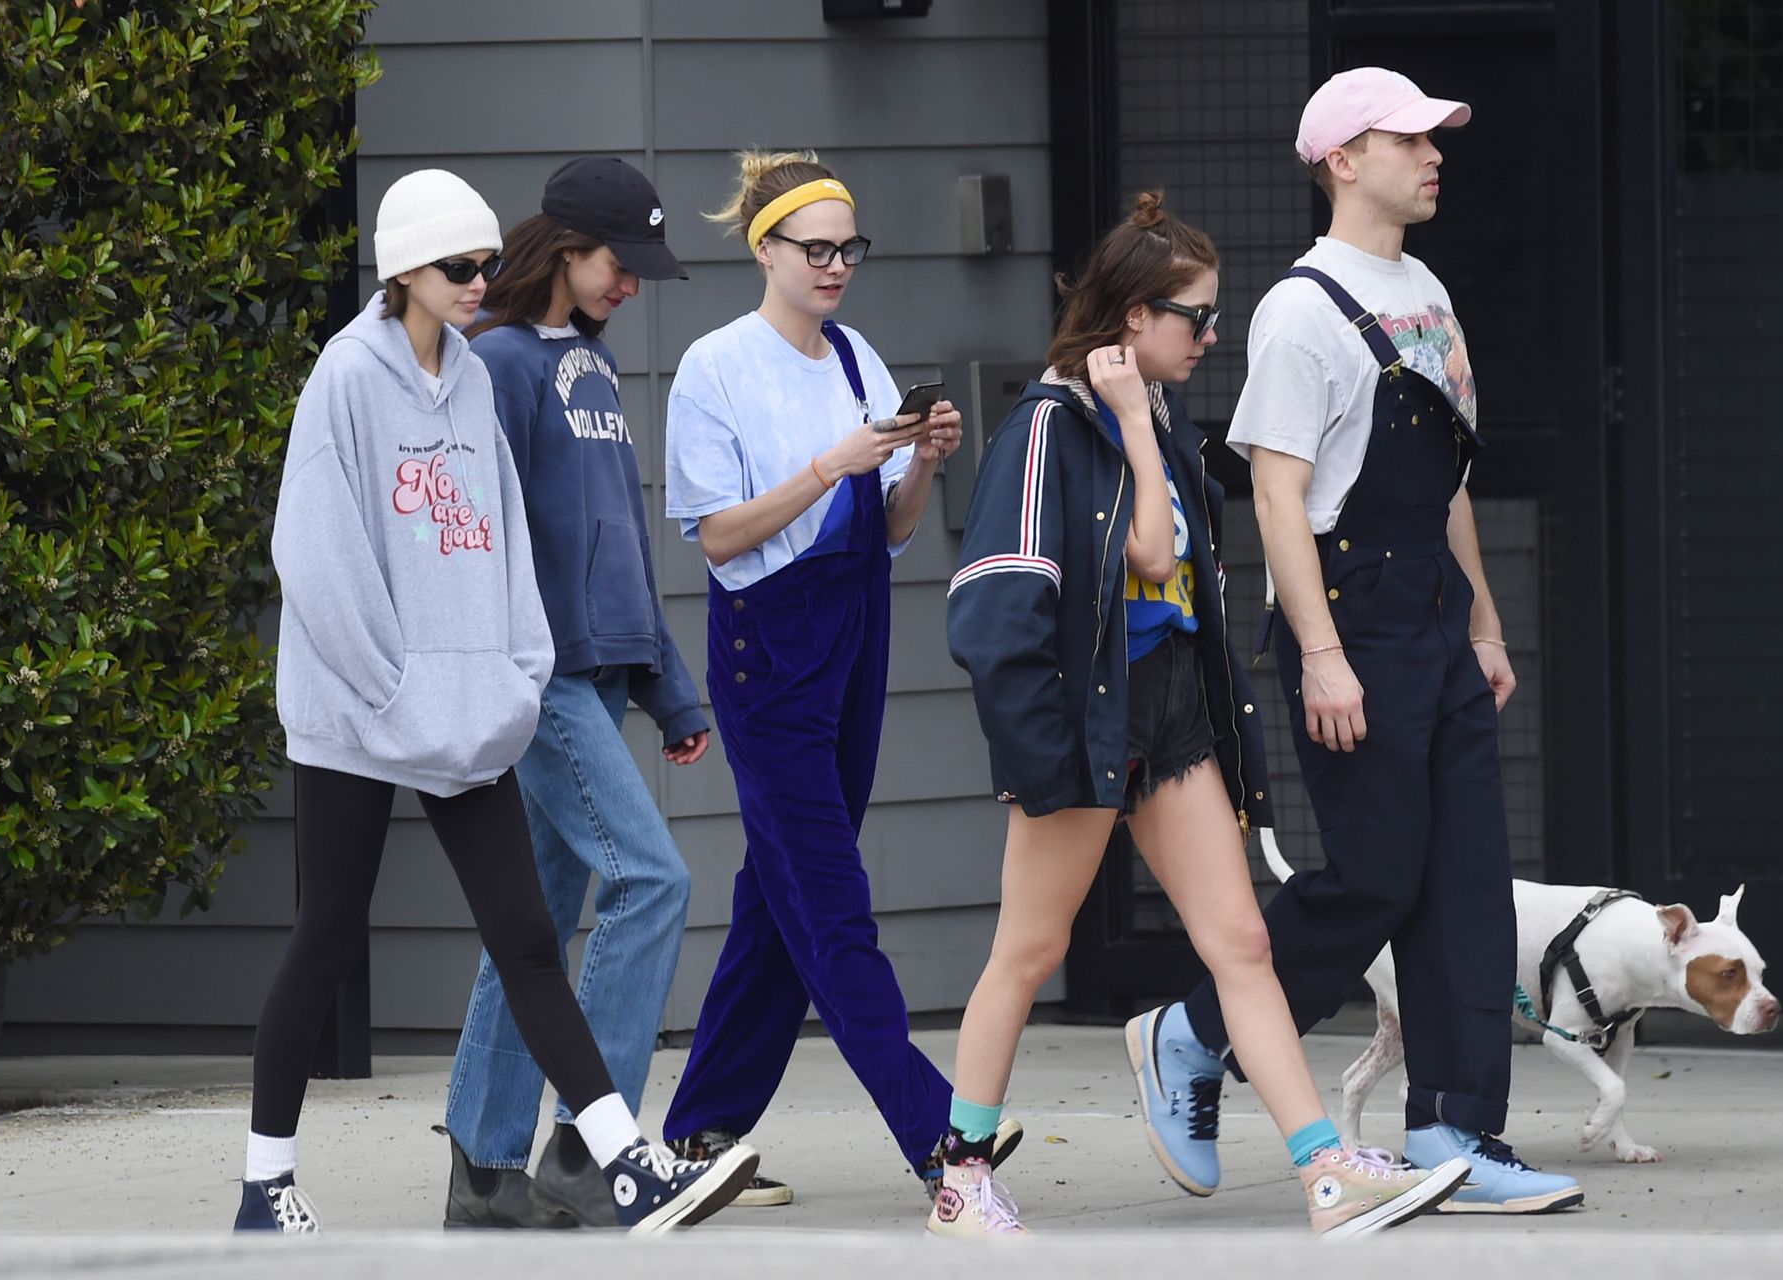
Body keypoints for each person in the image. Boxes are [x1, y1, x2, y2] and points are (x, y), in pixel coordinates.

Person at [938, 190, 1468, 1239]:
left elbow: (1174, 571)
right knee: (1028, 948)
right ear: (1132, 317)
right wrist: (1135, 424)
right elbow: (1035, 593)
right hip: (1081, 722)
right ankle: (960, 1173)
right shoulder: (1052, 425)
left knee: (1242, 944)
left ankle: (1324, 1169)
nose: (1211, 334)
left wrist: (1146, 424)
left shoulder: (1159, 420)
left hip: (1167, 714)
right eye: (1195, 315)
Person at [241, 168, 756, 1234]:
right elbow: (315, 552)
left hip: (468, 714)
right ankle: (265, 1181)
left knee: (527, 938)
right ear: (403, 271)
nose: (482, 280)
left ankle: (619, 1162)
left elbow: (505, 542)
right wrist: (391, 685)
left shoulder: (474, 377)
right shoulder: (345, 377)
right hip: (355, 716)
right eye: (458, 267)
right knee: (326, 937)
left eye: (485, 263)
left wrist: (517, 673)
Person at [1124, 67, 1585, 1215]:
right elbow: (1278, 498)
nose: (1434, 155)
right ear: (1342, 158)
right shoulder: (1299, 309)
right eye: (1409, 138)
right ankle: (1191, 1030)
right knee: (1378, 873)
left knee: (1467, 879)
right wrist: (1321, 653)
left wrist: (1482, 615)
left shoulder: (1424, 286)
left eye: (1435, 139)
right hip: (1351, 611)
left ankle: (1455, 1132)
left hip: (1429, 601)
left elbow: (1451, 476)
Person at [659, 149, 1021, 1200]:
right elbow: (719, 538)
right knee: (830, 899)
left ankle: (702, 1128)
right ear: (763, 247)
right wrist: (832, 465)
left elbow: (890, 531)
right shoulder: (714, 366)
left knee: (783, 890)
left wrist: (920, 463)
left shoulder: (857, 356)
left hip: (854, 639)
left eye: (848, 249)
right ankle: (936, 1134)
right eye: (815, 249)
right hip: (766, 650)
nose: (835, 268)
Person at [439, 157, 716, 1228]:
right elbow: (471, 539)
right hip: (539, 678)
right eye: (619, 263)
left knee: (540, 920)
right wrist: (497, 671)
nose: (630, 284)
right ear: (562, 250)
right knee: (654, 881)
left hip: (602, 680)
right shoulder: (495, 363)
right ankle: (586, 1144)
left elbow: (622, 549)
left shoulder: (588, 368)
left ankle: (482, 1165)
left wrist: (670, 690)